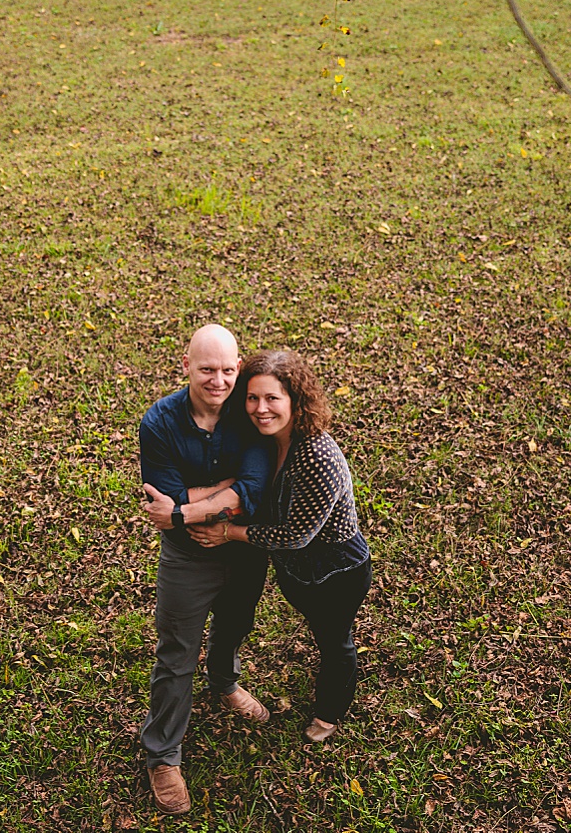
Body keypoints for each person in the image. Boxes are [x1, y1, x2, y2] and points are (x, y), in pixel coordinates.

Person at [181, 350, 372, 743]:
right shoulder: (266, 440)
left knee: (334, 641)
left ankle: (329, 712)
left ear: (295, 401)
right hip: (294, 569)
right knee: (317, 629)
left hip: (333, 571)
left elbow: (294, 535)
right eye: (253, 398)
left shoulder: (317, 456)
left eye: (272, 399)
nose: (261, 409)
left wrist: (227, 533)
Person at [136, 324, 274, 815]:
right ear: (187, 367)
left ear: (239, 367)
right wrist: (227, 491)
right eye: (207, 369)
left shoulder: (250, 411)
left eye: (228, 370)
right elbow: (163, 494)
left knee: (235, 625)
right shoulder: (159, 423)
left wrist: (189, 506)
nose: (219, 380)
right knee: (176, 652)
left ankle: (224, 682)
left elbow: (257, 487)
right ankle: (162, 755)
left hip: (243, 549)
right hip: (189, 554)